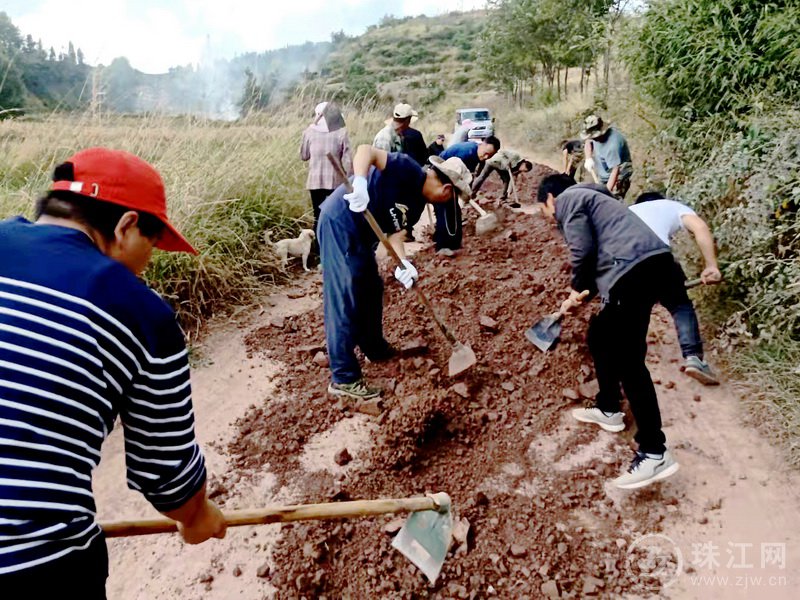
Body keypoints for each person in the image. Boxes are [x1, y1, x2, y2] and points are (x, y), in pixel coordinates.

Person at [0, 148, 226, 596]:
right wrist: (199, 518)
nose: (149, 261)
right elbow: (167, 474)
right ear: (125, 226)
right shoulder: (139, 312)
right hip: (34, 565)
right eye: (152, 242)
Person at [537, 173, 680, 490]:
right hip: (648, 266)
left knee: (628, 359)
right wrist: (584, 292)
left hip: (634, 270)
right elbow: (602, 249)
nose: (550, 219)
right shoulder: (598, 199)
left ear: (549, 200)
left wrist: (576, 288)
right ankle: (609, 407)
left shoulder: (569, 199)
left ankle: (654, 451)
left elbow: (583, 251)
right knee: (600, 333)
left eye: (545, 213)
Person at [318, 146, 472, 400]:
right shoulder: (407, 168)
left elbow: (395, 233)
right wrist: (360, 183)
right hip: (340, 224)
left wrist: (404, 264)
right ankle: (344, 379)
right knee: (345, 296)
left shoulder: (418, 203)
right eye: (453, 198)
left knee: (371, 287)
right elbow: (366, 151)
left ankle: (374, 347)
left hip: (362, 234)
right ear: (447, 192)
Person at [630, 192, 722, 385]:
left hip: (622, 262)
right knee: (680, 305)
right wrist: (711, 265)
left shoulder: (626, 212)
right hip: (656, 256)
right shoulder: (671, 205)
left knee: (634, 309)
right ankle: (693, 358)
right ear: (659, 199)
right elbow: (700, 227)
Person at [300, 101, 352, 256]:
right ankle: (338, 250)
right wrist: (350, 181)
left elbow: (304, 156)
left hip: (315, 182)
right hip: (336, 183)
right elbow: (348, 161)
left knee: (319, 216)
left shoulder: (309, 132)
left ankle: (320, 252)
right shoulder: (341, 132)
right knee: (337, 216)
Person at [433, 136, 501, 253]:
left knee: (453, 211)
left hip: (450, 179)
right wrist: (464, 192)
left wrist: (467, 191)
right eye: (486, 153)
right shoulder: (467, 153)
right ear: (482, 145)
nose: (485, 157)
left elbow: (468, 176)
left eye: (489, 156)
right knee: (446, 210)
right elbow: (453, 173)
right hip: (440, 178)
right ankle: (443, 246)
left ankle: (452, 243)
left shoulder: (476, 154)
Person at [582, 115, 633, 200]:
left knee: (613, 202)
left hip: (619, 176)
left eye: (594, 137)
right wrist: (588, 157)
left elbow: (615, 171)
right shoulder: (595, 137)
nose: (593, 139)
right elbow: (588, 142)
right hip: (604, 173)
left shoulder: (613, 146)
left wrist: (606, 193)